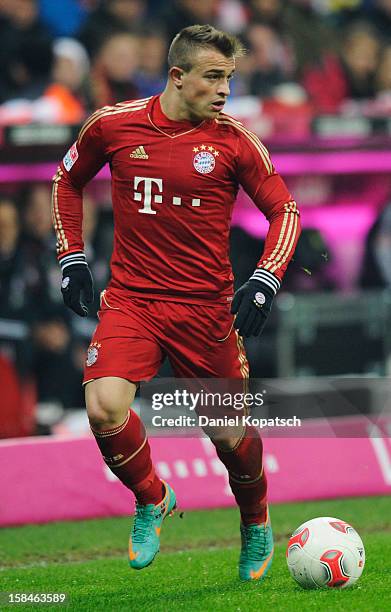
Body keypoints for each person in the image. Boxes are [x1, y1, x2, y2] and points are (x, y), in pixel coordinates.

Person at [52, 24, 301, 581]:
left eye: (229, 79)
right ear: (177, 75)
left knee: (229, 437)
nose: (224, 91)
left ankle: (256, 518)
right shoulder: (113, 125)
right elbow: (66, 181)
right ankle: (151, 496)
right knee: (103, 407)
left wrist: (265, 278)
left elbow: (286, 211)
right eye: (213, 78)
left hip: (206, 310)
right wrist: (70, 255)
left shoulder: (234, 140)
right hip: (133, 300)